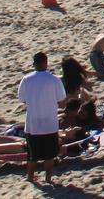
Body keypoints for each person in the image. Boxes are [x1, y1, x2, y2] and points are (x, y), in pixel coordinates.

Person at [18, 53, 67, 185]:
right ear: (46, 63)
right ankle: (48, 178)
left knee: (32, 154)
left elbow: (22, 99)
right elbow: (62, 100)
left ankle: (30, 177)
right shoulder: (54, 80)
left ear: (34, 64)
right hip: (50, 122)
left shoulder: (27, 79)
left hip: (33, 122)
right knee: (49, 154)